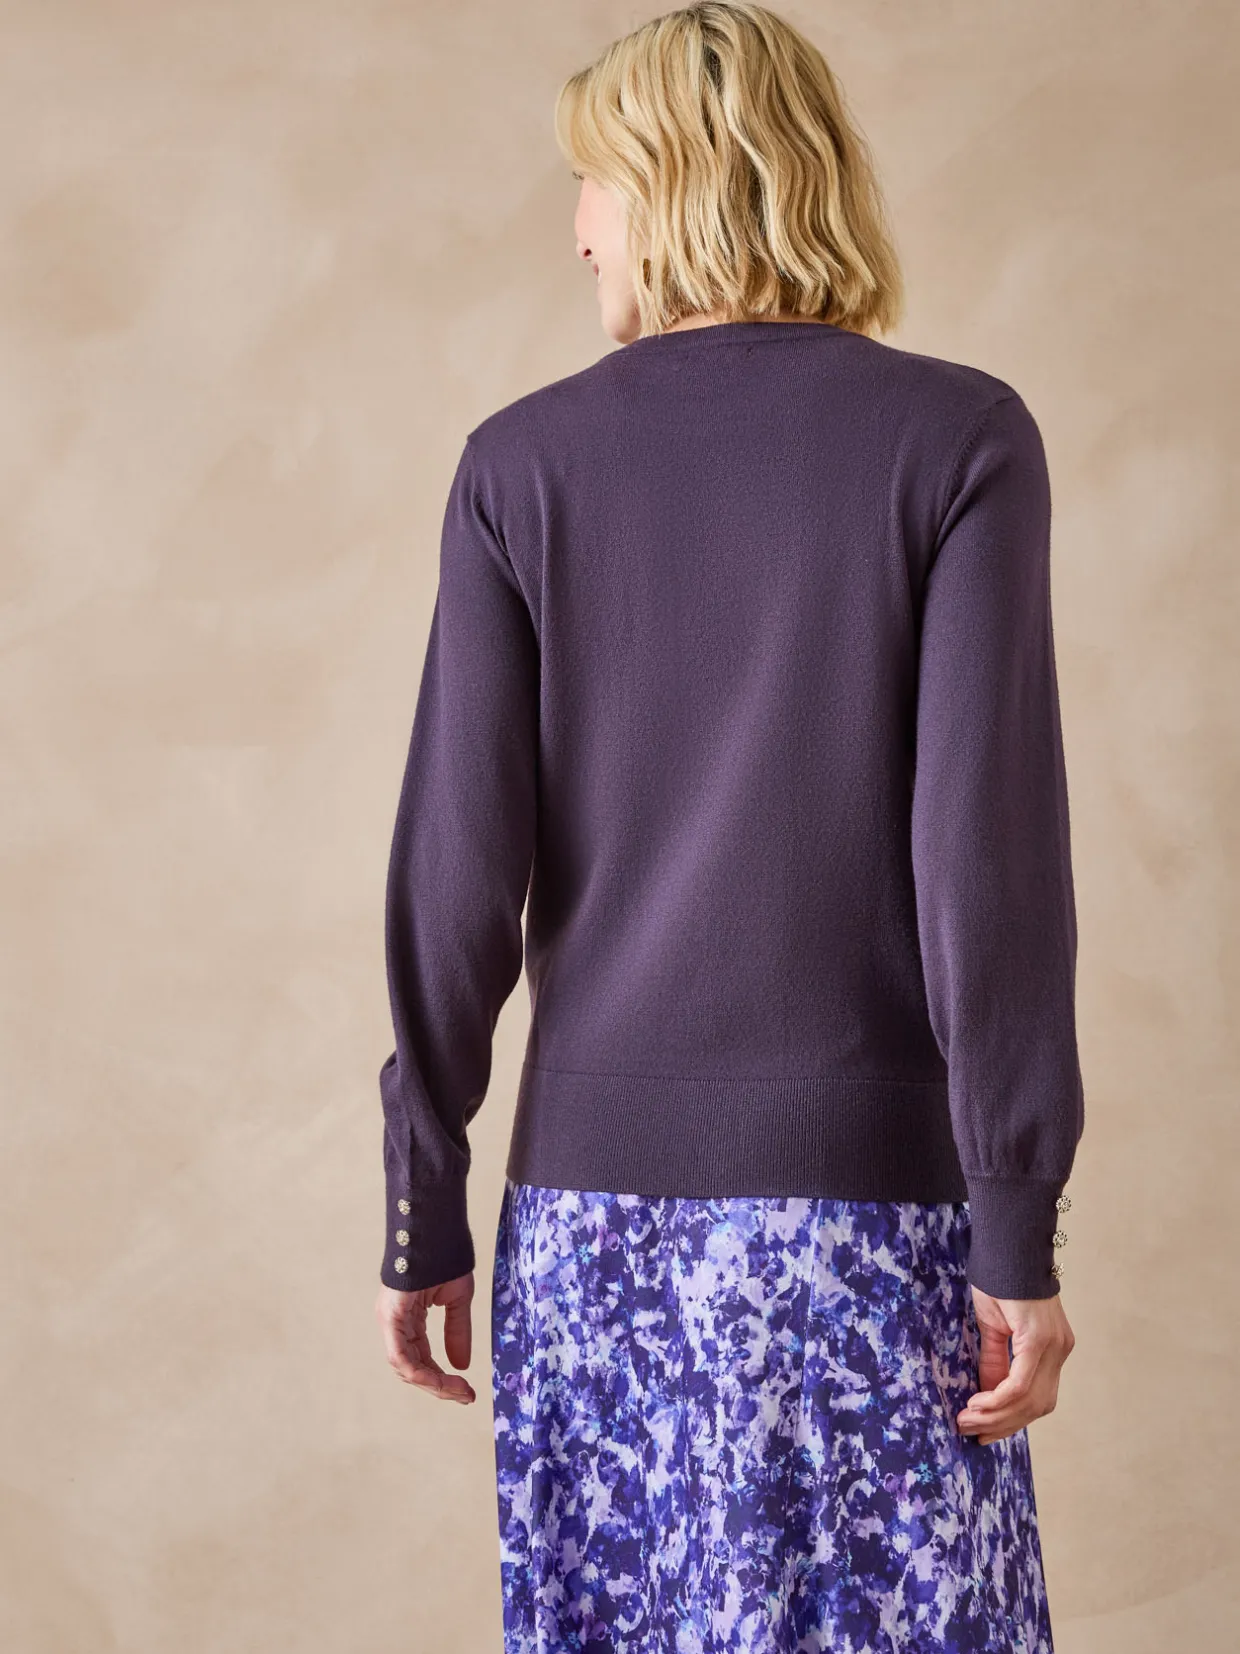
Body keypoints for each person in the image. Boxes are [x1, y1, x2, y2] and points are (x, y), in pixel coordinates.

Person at [373, 3, 1083, 1648]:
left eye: (592, 184)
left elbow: (456, 881)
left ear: (675, 184)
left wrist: (424, 1198)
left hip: (592, 1247)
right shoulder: (960, 440)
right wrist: (1014, 1221)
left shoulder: (519, 469)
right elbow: (986, 875)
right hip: (870, 1241)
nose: (577, 231)